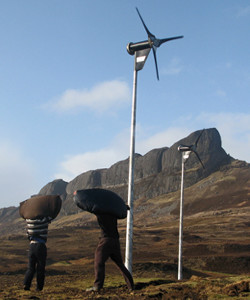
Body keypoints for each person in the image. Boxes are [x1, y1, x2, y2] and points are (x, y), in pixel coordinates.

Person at [86, 213, 134, 292]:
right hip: (115, 240)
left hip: (106, 240)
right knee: (120, 264)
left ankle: (97, 286)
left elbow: (91, 207)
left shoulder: (101, 210)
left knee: (99, 262)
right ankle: (131, 286)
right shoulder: (113, 210)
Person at [23, 216, 52, 291]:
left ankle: (26, 284)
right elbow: (51, 216)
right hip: (41, 245)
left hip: (31, 246)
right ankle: (39, 288)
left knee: (30, 268)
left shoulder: (29, 220)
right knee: (40, 268)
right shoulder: (44, 219)